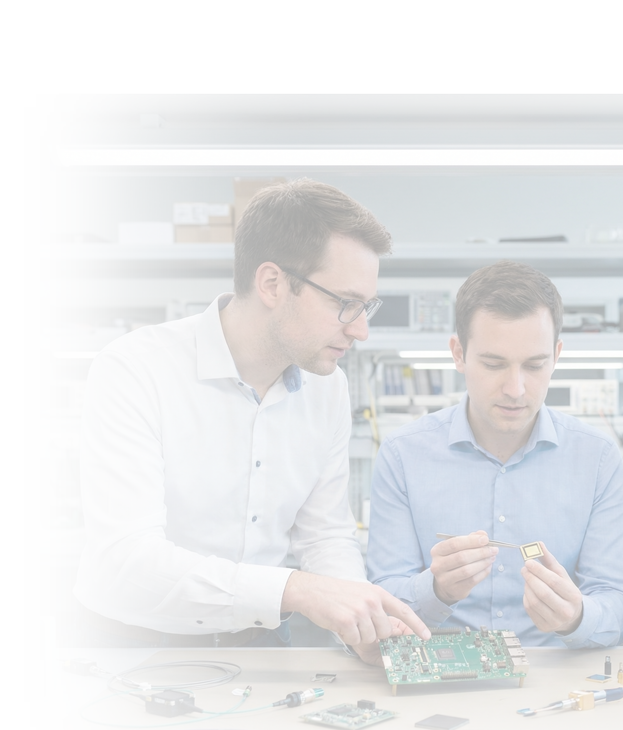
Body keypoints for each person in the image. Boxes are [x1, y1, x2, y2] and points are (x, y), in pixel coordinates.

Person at [73, 178, 429, 661]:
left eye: (367, 306)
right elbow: (126, 560)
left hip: (260, 643)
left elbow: (323, 534)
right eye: (345, 303)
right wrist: (297, 590)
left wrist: (360, 623)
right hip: (131, 645)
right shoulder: (135, 369)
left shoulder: (328, 386)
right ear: (272, 284)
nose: (361, 329)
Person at [365, 259, 623, 648]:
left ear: (556, 355)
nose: (516, 388)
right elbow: (381, 599)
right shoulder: (402, 455)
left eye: (535, 365)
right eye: (494, 364)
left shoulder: (596, 458)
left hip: (555, 678)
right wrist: (437, 589)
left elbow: (619, 603)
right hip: (439, 671)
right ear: (458, 353)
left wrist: (576, 617)